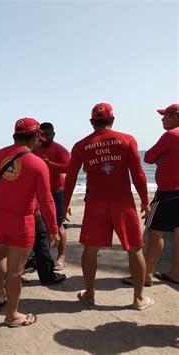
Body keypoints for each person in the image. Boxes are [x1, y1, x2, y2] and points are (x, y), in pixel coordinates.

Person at [64, 103, 153, 310]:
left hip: (95, 204)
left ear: (92, 122)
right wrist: (145, 201)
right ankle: (138, 299)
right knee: (135, 249)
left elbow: (70, 179)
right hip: (123, 204)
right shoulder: (127, 140)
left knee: (90, 250)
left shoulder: (81, 145)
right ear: (112, 120)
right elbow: (138, 174)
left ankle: (90, 295)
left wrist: (66, 202)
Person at [0, 117, 58, 327]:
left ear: (14, 136)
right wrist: (53, 228)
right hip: (21, 221)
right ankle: (12, 315)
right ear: (36, 136)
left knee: (0, 255)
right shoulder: (37, 163)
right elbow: (46, 199)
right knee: (16, 270)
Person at [123, 103, 179, 285]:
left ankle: (146, 274)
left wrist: (160, 159)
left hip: (168, 192)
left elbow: (148, 157)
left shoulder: (171, 135)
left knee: (155, 232)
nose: (163, 119)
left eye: (166, 116)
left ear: (175, 117)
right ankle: (176, 273)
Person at [35, 122, 71, 270]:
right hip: (38, 192)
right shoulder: (34, 148)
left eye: (48, 134)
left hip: (56, 191)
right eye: (42, 135)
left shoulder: (59, 149)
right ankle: (41, 257)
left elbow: (70, 167)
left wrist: (50, 164)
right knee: (39, 225)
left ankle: (61, 257)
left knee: (57, 225)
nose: (45, 137)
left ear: (53, 134)